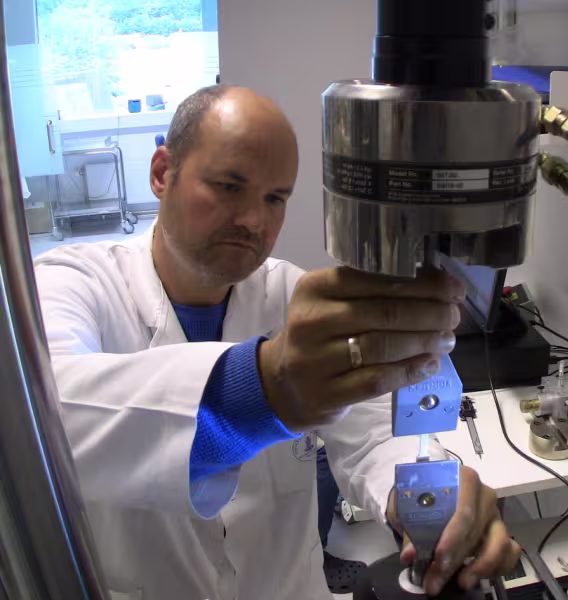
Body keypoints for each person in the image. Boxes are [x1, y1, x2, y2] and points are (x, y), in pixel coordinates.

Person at [34, 85, 520, 600]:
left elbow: (377, 434)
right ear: (162, 173)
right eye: (228, 186)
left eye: (275, 198)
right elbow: (49, 418)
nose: (254, 220)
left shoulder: (288, 292)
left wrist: (426, 500)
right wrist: (262, 389)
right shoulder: (74, 281)